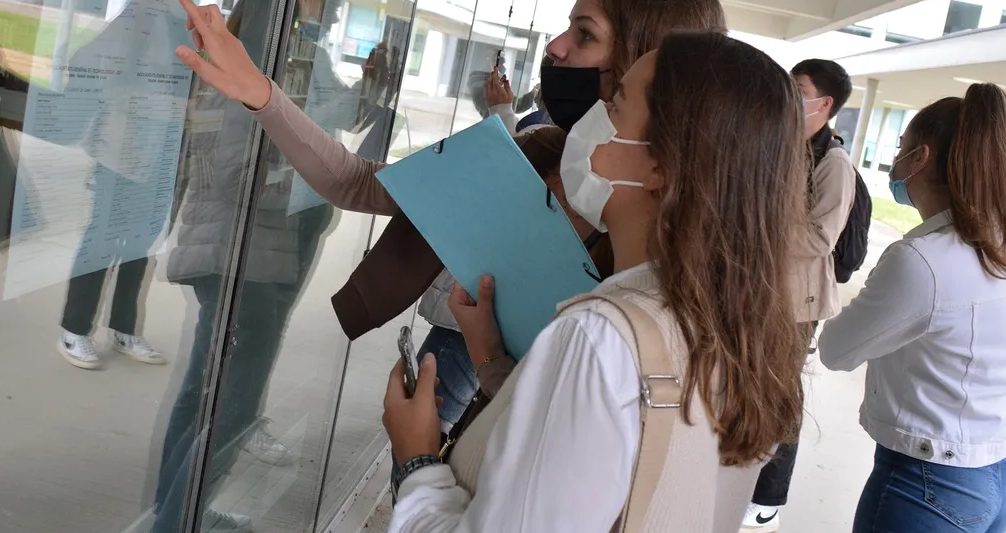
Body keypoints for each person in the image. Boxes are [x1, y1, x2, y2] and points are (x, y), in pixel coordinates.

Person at [174, 0, 727, 429]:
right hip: (463, 351)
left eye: (585, 35)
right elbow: (361, 183)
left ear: (648, 67)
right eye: (568, 27)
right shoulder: (536, 149)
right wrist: (258, 91)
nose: (555, 48)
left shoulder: (661, 289)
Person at [381, 33, 808, 531]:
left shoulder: (598, 337)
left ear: (661, 166)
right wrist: (494, 364)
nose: (597, 114)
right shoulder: (737, 328)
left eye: (617, 102)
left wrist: (416, 459)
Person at [152, 0, 340, 533]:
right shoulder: (246, 83)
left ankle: (178, 512)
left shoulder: (228, 76)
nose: (306, 32)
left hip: (225, 252)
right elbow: (239, 173)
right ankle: (174, 522)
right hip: (246, 263)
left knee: (200, 394)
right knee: (231, 408)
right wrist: (305, 180)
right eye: (299, 21)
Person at [819, 84, 1006, 533]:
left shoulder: (922, 261)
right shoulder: (993, 245)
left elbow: (835, 349)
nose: (896, 159)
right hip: (991, 464)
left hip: (927, 481)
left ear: (920, 158)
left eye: (901, 148)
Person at [56, 0, 207, 370]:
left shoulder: (187, 25)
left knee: (141, 243)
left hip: (163, 156)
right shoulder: (139, 18)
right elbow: (93, 69)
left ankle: (124, 329)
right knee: (102, 239)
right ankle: (74, 330)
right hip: (121, 152)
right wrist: (173, 106)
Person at [741, 58, 858, 531]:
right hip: (762, 291)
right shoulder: (781, 146)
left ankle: (769, 496)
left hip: (797, 305)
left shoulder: (834, 163)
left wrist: (755, 220)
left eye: (799, 88)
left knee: (780, 396)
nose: (788, 95)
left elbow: (819, 239)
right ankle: (740, 475)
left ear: (825, 104)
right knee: (749, 385)